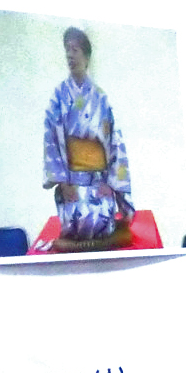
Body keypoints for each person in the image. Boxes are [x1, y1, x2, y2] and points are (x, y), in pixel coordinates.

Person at [43, 27, 133, 245]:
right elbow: (51, 140)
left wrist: (110, 183)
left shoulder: (101, 98)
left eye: (75, 50)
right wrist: (63, 183)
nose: (70, 55)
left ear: (87, 56)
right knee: (75, 218)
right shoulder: (58, 96)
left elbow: (115, 142)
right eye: (67, 50)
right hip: (71, 182)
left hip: (98, 181)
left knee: (102, 221)